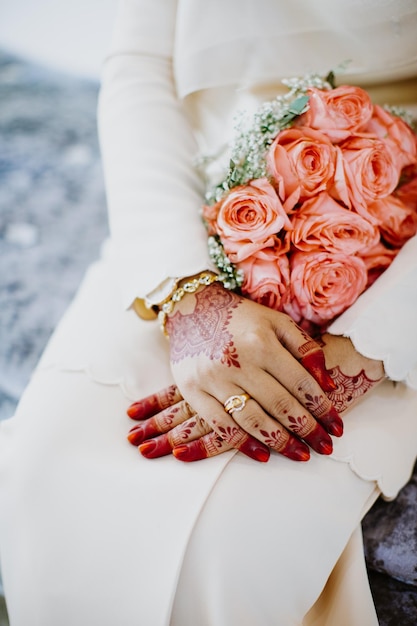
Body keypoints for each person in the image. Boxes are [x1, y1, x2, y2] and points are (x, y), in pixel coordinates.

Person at [1, 0, 417, 624]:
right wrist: (186, 291)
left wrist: (372, 346)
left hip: (395, 261)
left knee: (238, 542)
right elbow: (142, 67)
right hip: (198, 215)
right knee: (42, 482)